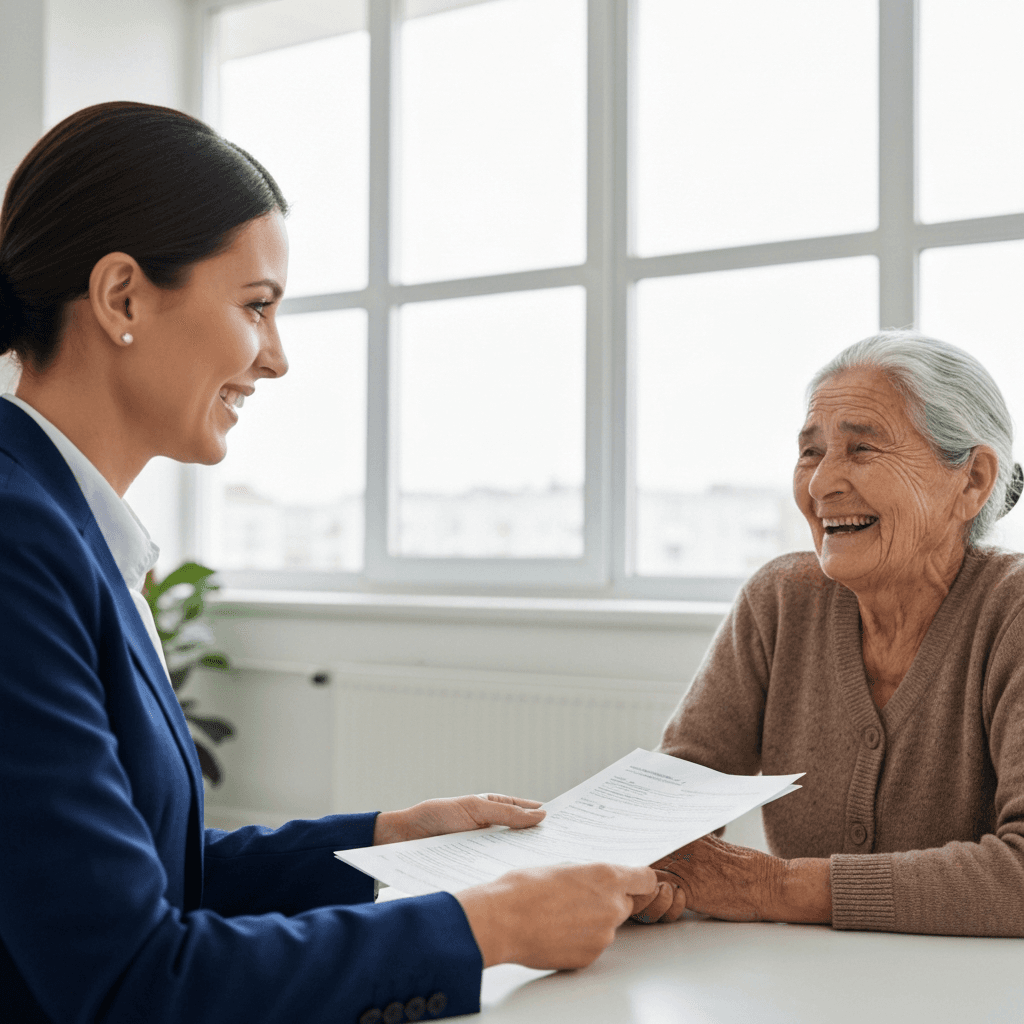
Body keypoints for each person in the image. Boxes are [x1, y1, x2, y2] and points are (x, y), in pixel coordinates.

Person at [0, 101, 660, 1024]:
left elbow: (152, 877)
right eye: (256, 307)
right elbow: (130, 978)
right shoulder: (19, 540)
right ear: (122, 298)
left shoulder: (62, 523)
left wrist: (390, 840)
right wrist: (484, 927)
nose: (274, 359)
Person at [631, 331, 1024, 936]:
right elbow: (678, 798)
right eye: (811, 453)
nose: (820, 486)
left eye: (862, 449)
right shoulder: (781, 601)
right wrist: (642, 860)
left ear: (971, 481)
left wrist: (767, 885)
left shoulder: (1012, 613)